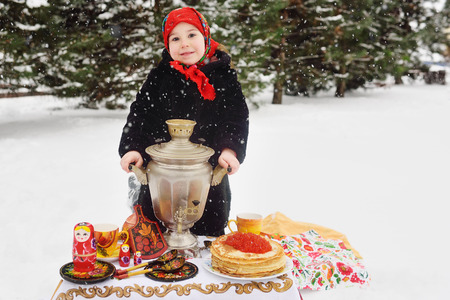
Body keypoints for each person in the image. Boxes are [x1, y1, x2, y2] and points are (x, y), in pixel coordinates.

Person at [118, 7, 249, 237]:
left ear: (205, 37)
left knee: (206, 236)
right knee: (155, 232)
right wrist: (133, 148)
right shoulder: (160, 76)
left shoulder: (223, 77)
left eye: (191, 35)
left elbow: (235, 116)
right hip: (161, 175)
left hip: (208, 176)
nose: (184, 43)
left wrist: (230, 149)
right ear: (167, 45)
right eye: (175, 38)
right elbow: (141, 114)